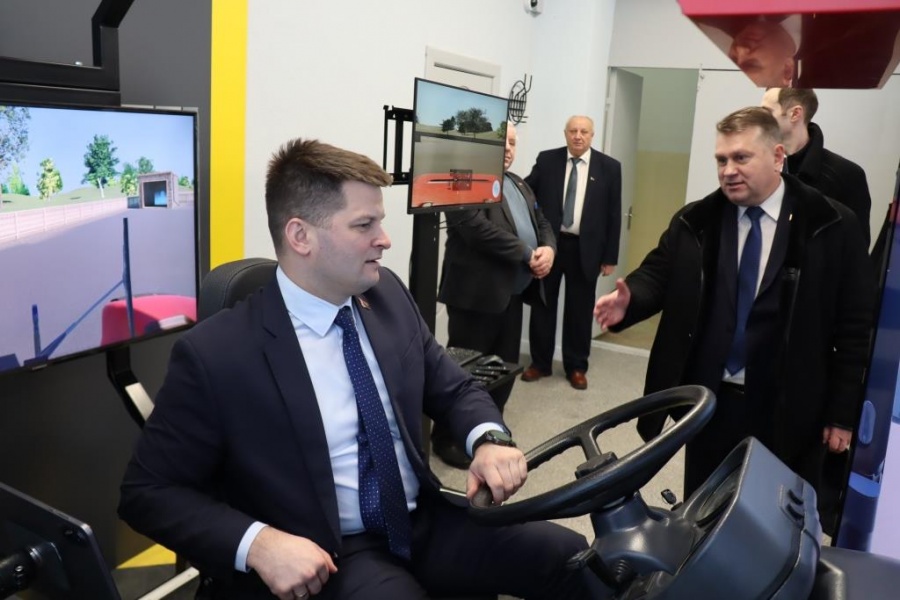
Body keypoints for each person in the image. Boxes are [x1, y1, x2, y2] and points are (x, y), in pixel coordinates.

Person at [118, 138, 603, 600]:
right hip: (330, 551)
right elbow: (147, 492)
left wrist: (489, 439)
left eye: (380, 222)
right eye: (364, 225)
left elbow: (451, 386)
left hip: (421, 519)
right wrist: (259, 543)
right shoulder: (217, 352)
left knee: (571, 557)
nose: (384, 240)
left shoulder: (386, 294)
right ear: (301, 236)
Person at [593, 107, 874, 510]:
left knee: (774, 516)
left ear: (777, 156)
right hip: (711, 400)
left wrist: (842, 414)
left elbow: (854, 326)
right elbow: (658, 273)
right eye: (721, 160)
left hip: (789, 406)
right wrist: (630, 299)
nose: (728, 171)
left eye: (741, 158)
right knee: (703, 509)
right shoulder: (696, 221)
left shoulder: (830, 225)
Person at [432, 122, 556, 468]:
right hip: (475, 297)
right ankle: (447, 439)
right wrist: (526, 253)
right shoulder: (463, 181)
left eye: (513, 142)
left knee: (502, 370)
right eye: (502, 142)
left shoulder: (517, 183)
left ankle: (488, 432)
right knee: (465, 373)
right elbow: (476, 229)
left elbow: (542, 221)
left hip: (511, 295)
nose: (508, 149)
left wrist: (548, 248)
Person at [521, 115, 621, 391]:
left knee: (580, 310)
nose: (578, 136)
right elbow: (526, 193)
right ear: (565, 133)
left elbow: (614, 214)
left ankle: (576, 366)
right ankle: (540, 363)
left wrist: (610, 257)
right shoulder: (547, 160)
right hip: (549, 246)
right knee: (543, 305)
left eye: (584, 131)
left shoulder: (610, 167)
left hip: (586, 250)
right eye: (573, 131)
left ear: (592, 135)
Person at [760, 87, 872, 247]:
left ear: (795, 114)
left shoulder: (847, 175)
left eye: (767, 112)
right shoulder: (758, 167)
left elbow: (855, 248)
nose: (760, 120)